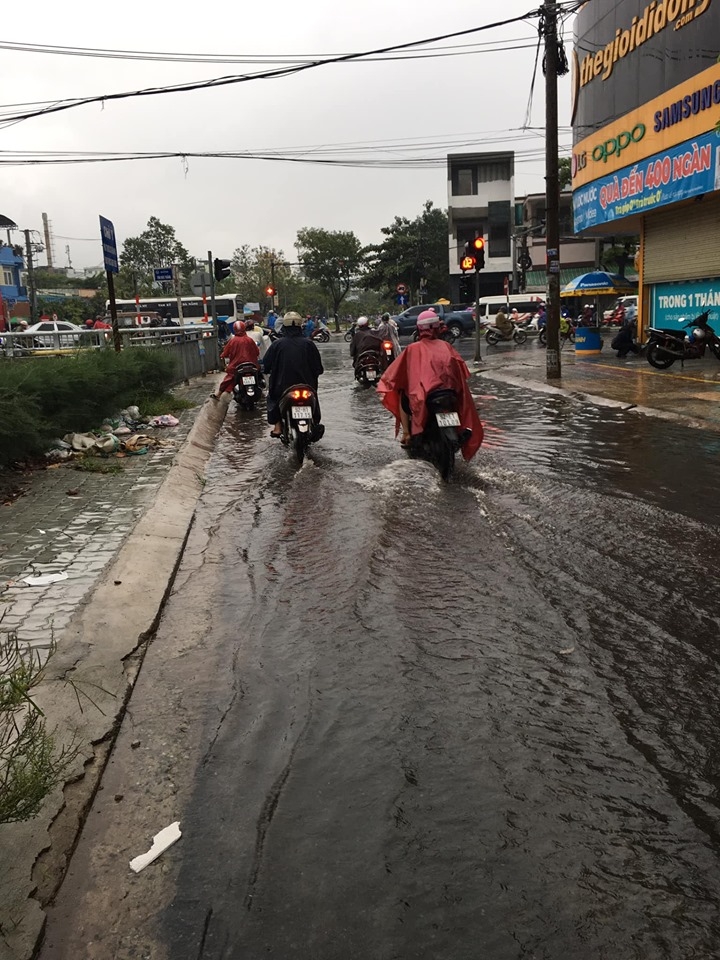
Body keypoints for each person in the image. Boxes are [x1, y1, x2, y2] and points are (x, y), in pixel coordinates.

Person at [377, 309, 483, 460]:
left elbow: (396, 375)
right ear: (437, 327)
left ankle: (407, 434)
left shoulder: (413, 348)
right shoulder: (447, 346)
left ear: (419, 329)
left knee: (402, 394)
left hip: (425, 396)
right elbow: (461, 373)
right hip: (449, 394)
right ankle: (458, 432)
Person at [264, 311, 324, 438]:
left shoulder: (277, 344)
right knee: (314, 398)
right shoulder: (309, 344)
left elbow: (266, 365)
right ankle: (315, 422)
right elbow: (318, 368)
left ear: (284, 326)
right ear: (300, 326)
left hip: (282, 387)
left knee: (272, 398)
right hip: (307, 386)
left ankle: (277, 426)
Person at [210, 321, 260, 400]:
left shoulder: (232, 341)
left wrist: (222, 355)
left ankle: (218, 394)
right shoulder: (250, 340)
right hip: (252, 365)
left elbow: (225, 353)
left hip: (236, 365)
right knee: (259, 374)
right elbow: (257, 352)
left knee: (229, 378)